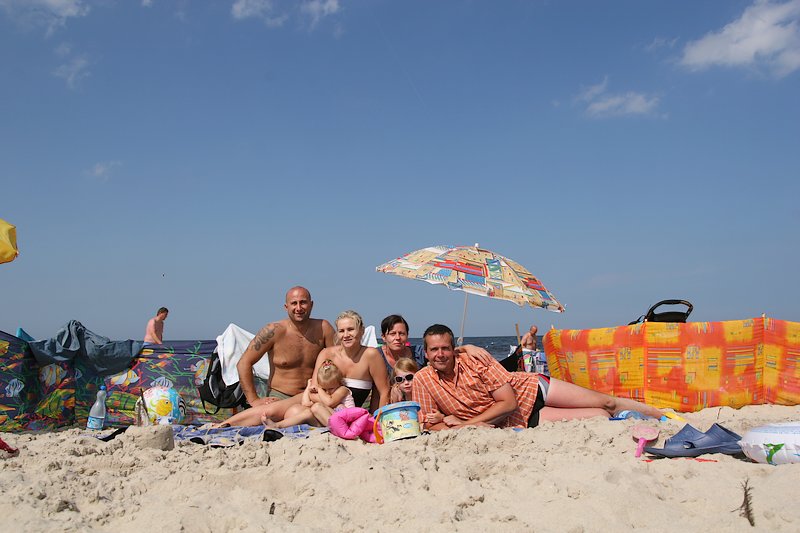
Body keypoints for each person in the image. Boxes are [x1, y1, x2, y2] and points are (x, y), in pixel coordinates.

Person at [412, 324, 664, 431]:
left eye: (445, 348)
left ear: (454, 348)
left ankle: (662, 415)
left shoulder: (475, 359)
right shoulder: (424, 379)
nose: (440, 354)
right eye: (434, 350)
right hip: (519, 420)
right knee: (599, 415)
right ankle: (632, 418)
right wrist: (453, 425)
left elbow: (507, 402)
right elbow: (428, 423)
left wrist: (467, 424)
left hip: (531, 390)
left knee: (606, 402)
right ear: (426, 352)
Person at [233, 286, 335, 423]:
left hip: (314, 395)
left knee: (297, 413)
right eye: (294, 303)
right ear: (286, 307)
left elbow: (340, 360)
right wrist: (254, 400)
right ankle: (222, 426)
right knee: (276, 413)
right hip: (280, 397)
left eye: (303, 302)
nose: (298, 308)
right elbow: (244, 363)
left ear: (311, 305)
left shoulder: (323, 328)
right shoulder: (273, 330)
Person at [263, 360, 354, 429]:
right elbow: (305, 403)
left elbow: (329, 402)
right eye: (324, 389)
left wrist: (319, 389)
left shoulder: (342, 389)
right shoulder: (324, 394)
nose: (327, 392)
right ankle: (277, 425)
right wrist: (308, 387)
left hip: (345, 421)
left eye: (331, 389)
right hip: (328, 421)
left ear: (340, 383)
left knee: (318, 407)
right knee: (307, 412)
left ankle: (339, 429)